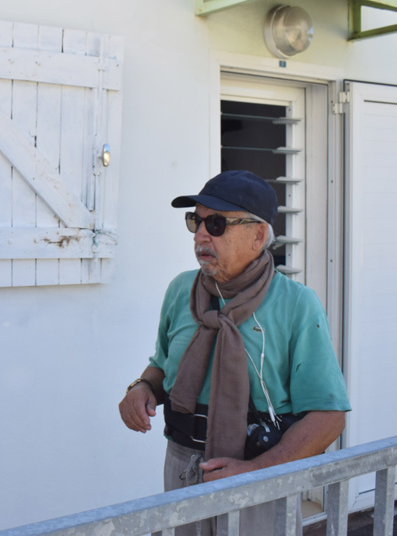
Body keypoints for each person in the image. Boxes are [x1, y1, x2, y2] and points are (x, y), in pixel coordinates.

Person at [118, 170, 350, 535]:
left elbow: (328, 418)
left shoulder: (296, 304)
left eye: (216, 223)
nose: (200, 235)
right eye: (195, 221)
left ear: (258, 235)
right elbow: (161, 366)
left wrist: (256, 472)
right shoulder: (181, 291)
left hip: (260, 478)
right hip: (183, 471)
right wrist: (141, 388)